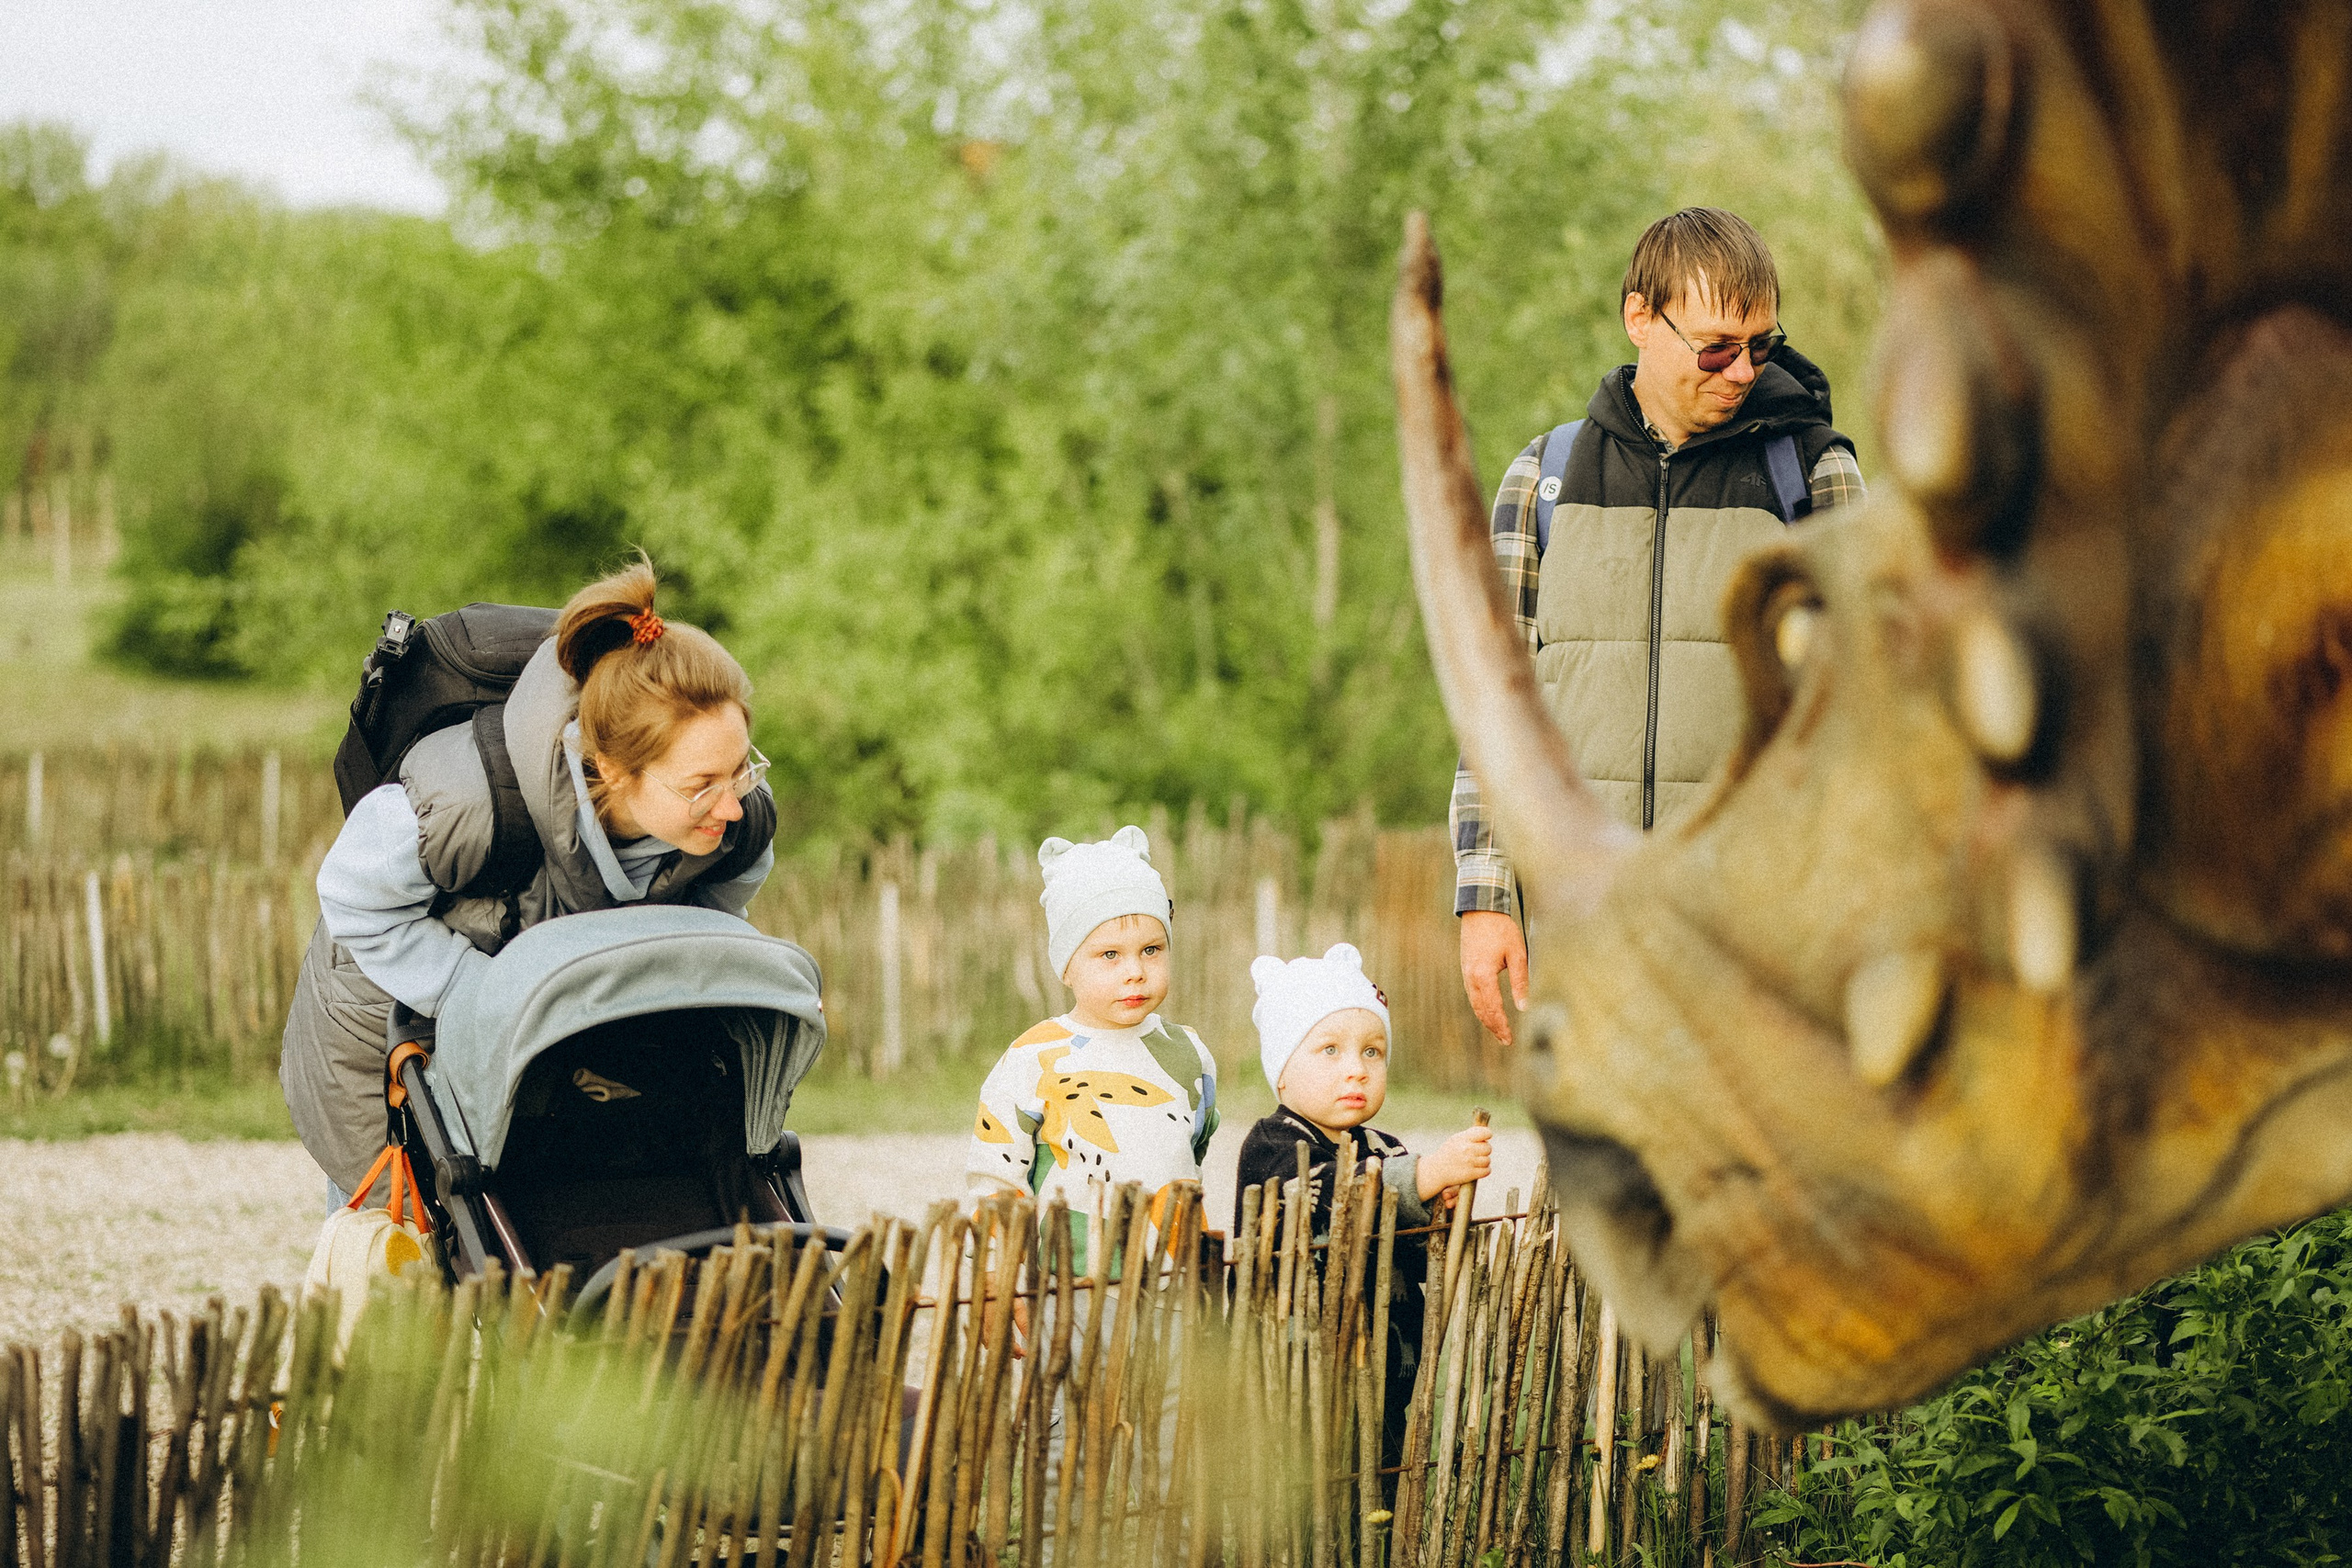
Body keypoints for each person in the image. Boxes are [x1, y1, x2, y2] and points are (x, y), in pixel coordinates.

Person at [1453, 207, 1864, 1043]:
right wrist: (1487, 896)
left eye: (1761, 345)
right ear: (1640, 317)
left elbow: (1866, 713)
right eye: (1716, 347)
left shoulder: (1815, 477)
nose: (1742, 370)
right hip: (1584, 922)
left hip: (1752, 938)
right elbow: (1496, 709)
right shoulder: (1543, 479)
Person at [282, 558, 777, 1205]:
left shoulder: (736, 834)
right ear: (611, 770)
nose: (733, 805)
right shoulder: (465, 802)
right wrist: (479, 992)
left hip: (536, 1039)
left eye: (741, 769)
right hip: (391, 1020)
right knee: (394, 1234)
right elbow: (351, 894)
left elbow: (707, 936)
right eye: (702, 785)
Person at [1233, 942, 1493, 1465]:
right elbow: (1334, 1197)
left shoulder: (1384, 1147)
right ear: (1281, 1070)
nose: (1356, 1069)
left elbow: (1420, 1257)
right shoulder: (1272, 1145)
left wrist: (1440, 1211)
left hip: (1387, 1369)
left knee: (1381, 1480)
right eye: (1330, 1050)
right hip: (1296, 1375)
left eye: (1372, 1051)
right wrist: (1426, 1175)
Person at [965, 826, 1218, 1269]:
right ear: (1067, 968)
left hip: (1173, 1277)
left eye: (1151, 949)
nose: (1135, 971)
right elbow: (997, 1177)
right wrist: (995, 1276)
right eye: (1110, 955)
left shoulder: (1189, 1052)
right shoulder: (1032, 1057)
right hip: (1071, 1282)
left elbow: (1193, 1150)